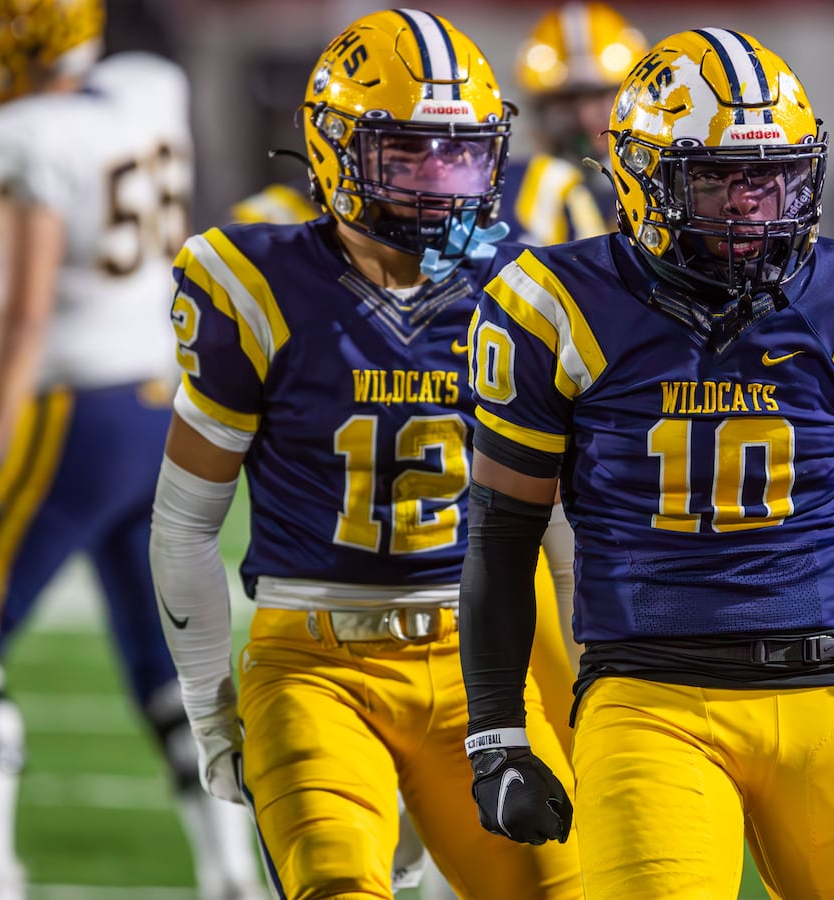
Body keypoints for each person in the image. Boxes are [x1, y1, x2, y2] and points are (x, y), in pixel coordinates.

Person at [455, 28, 834, 899]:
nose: (753, 206)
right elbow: (502, 533)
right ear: (642, 177)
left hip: (829, 688)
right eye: (718, 178)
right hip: (649, 699)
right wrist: (497, 734)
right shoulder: (553, 305)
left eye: (774, 177)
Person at [147, 9, 582, 899]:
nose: (439, 181)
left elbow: (565, 522)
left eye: (459, 153)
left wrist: (592, 688)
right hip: (315, 665)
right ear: (334, 152)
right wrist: (207, 711)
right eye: (407, 154)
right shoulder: (254, 286)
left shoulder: (519, 287)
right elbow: (185, 524)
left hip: (479, 671)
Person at [0, 2, 262, 898]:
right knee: (165, 661)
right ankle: (231, 872)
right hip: (162, 405)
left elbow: (25, 313)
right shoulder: (152, 89)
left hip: (72, 410)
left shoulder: (21, 142)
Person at [502, 2, 645, 246]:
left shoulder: (665, 189)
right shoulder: (523, 190)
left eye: (602, 97)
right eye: (567, 103)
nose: (586, 118)